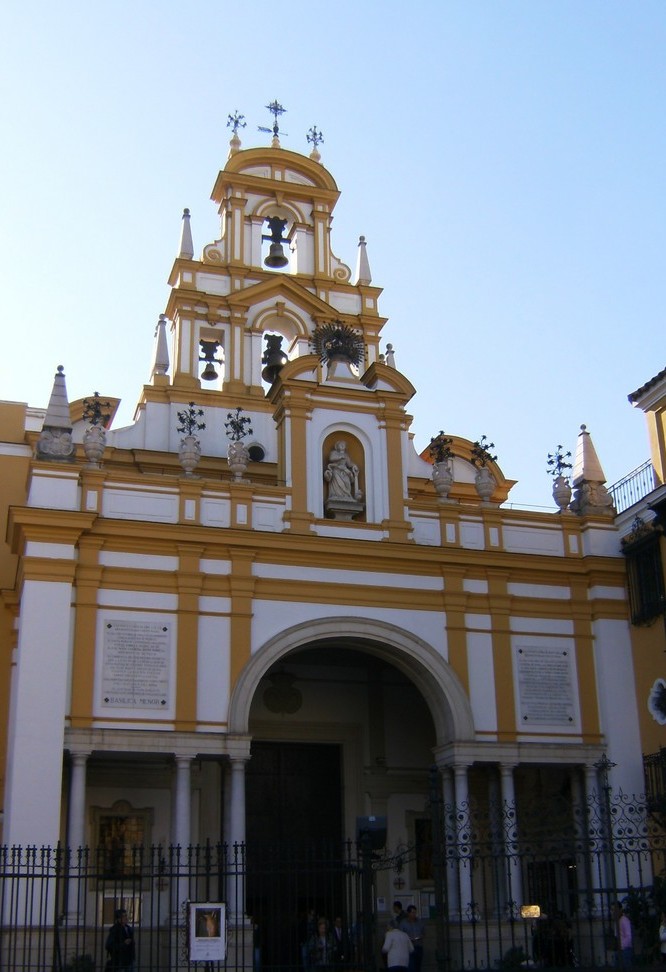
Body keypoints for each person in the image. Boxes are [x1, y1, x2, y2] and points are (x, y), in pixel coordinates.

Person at [400, 905, 425, 972]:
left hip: (418, 946)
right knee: (411, 966)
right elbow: (401, 935)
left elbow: (423, 932)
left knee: (418, 965)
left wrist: (420, 936)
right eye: (412, 912)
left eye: (415, 912)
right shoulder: (403, 923)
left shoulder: (420, 922)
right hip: (408, 947)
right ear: (408, 913)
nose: (414, 914)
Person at [611, 901, 633, 969]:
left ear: (620, 910)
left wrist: (622, 946)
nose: (613, 912)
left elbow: (628, 936)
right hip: (619, 949)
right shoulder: (617, 921)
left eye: (615, 910)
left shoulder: (624, 920)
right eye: (612, 910)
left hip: (625, 950)